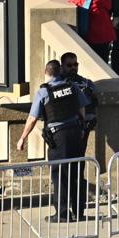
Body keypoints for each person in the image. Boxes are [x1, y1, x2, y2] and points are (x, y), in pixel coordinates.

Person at [23, 54, 96, 219]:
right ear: (60, 70)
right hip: (76, 133)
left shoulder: (44, 92)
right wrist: (82, 126)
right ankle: (79, 212)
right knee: (77, 171)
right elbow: (82, 109)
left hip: (58, 137)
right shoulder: (73, 87)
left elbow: (32, 118)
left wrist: (23, 138)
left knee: (60, 175)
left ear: (46, 72)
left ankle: (62, 214)